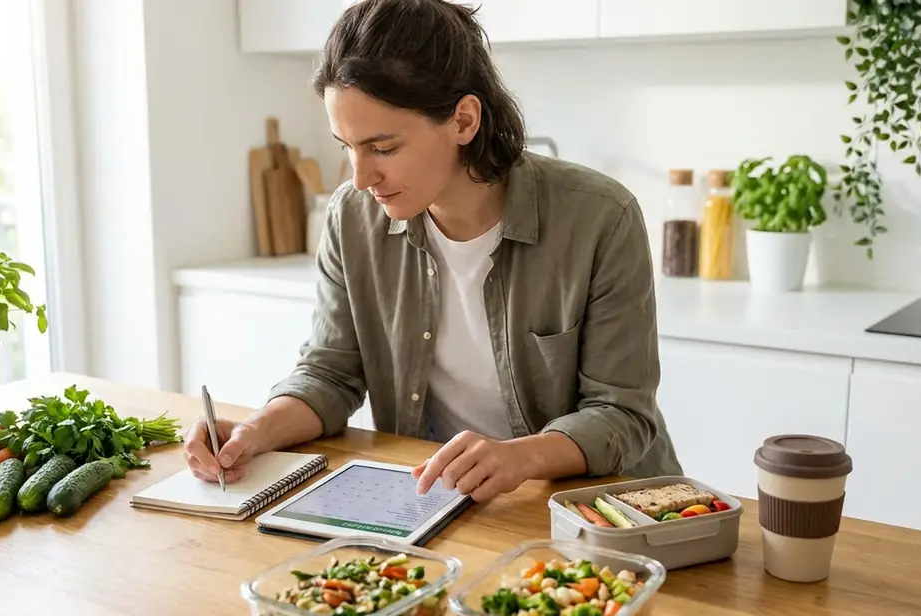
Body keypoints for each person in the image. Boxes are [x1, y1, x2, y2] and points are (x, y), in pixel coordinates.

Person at [184, 0, 682, 503]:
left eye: (382, 149)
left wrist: (520, 455)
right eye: (346, 147)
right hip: (438, 499)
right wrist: (256, 431)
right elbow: (330, 373)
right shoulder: (352, 217)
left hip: (604, 510)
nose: (360, 178)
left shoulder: (601, 217)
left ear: (463, 121)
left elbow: (622, 414)